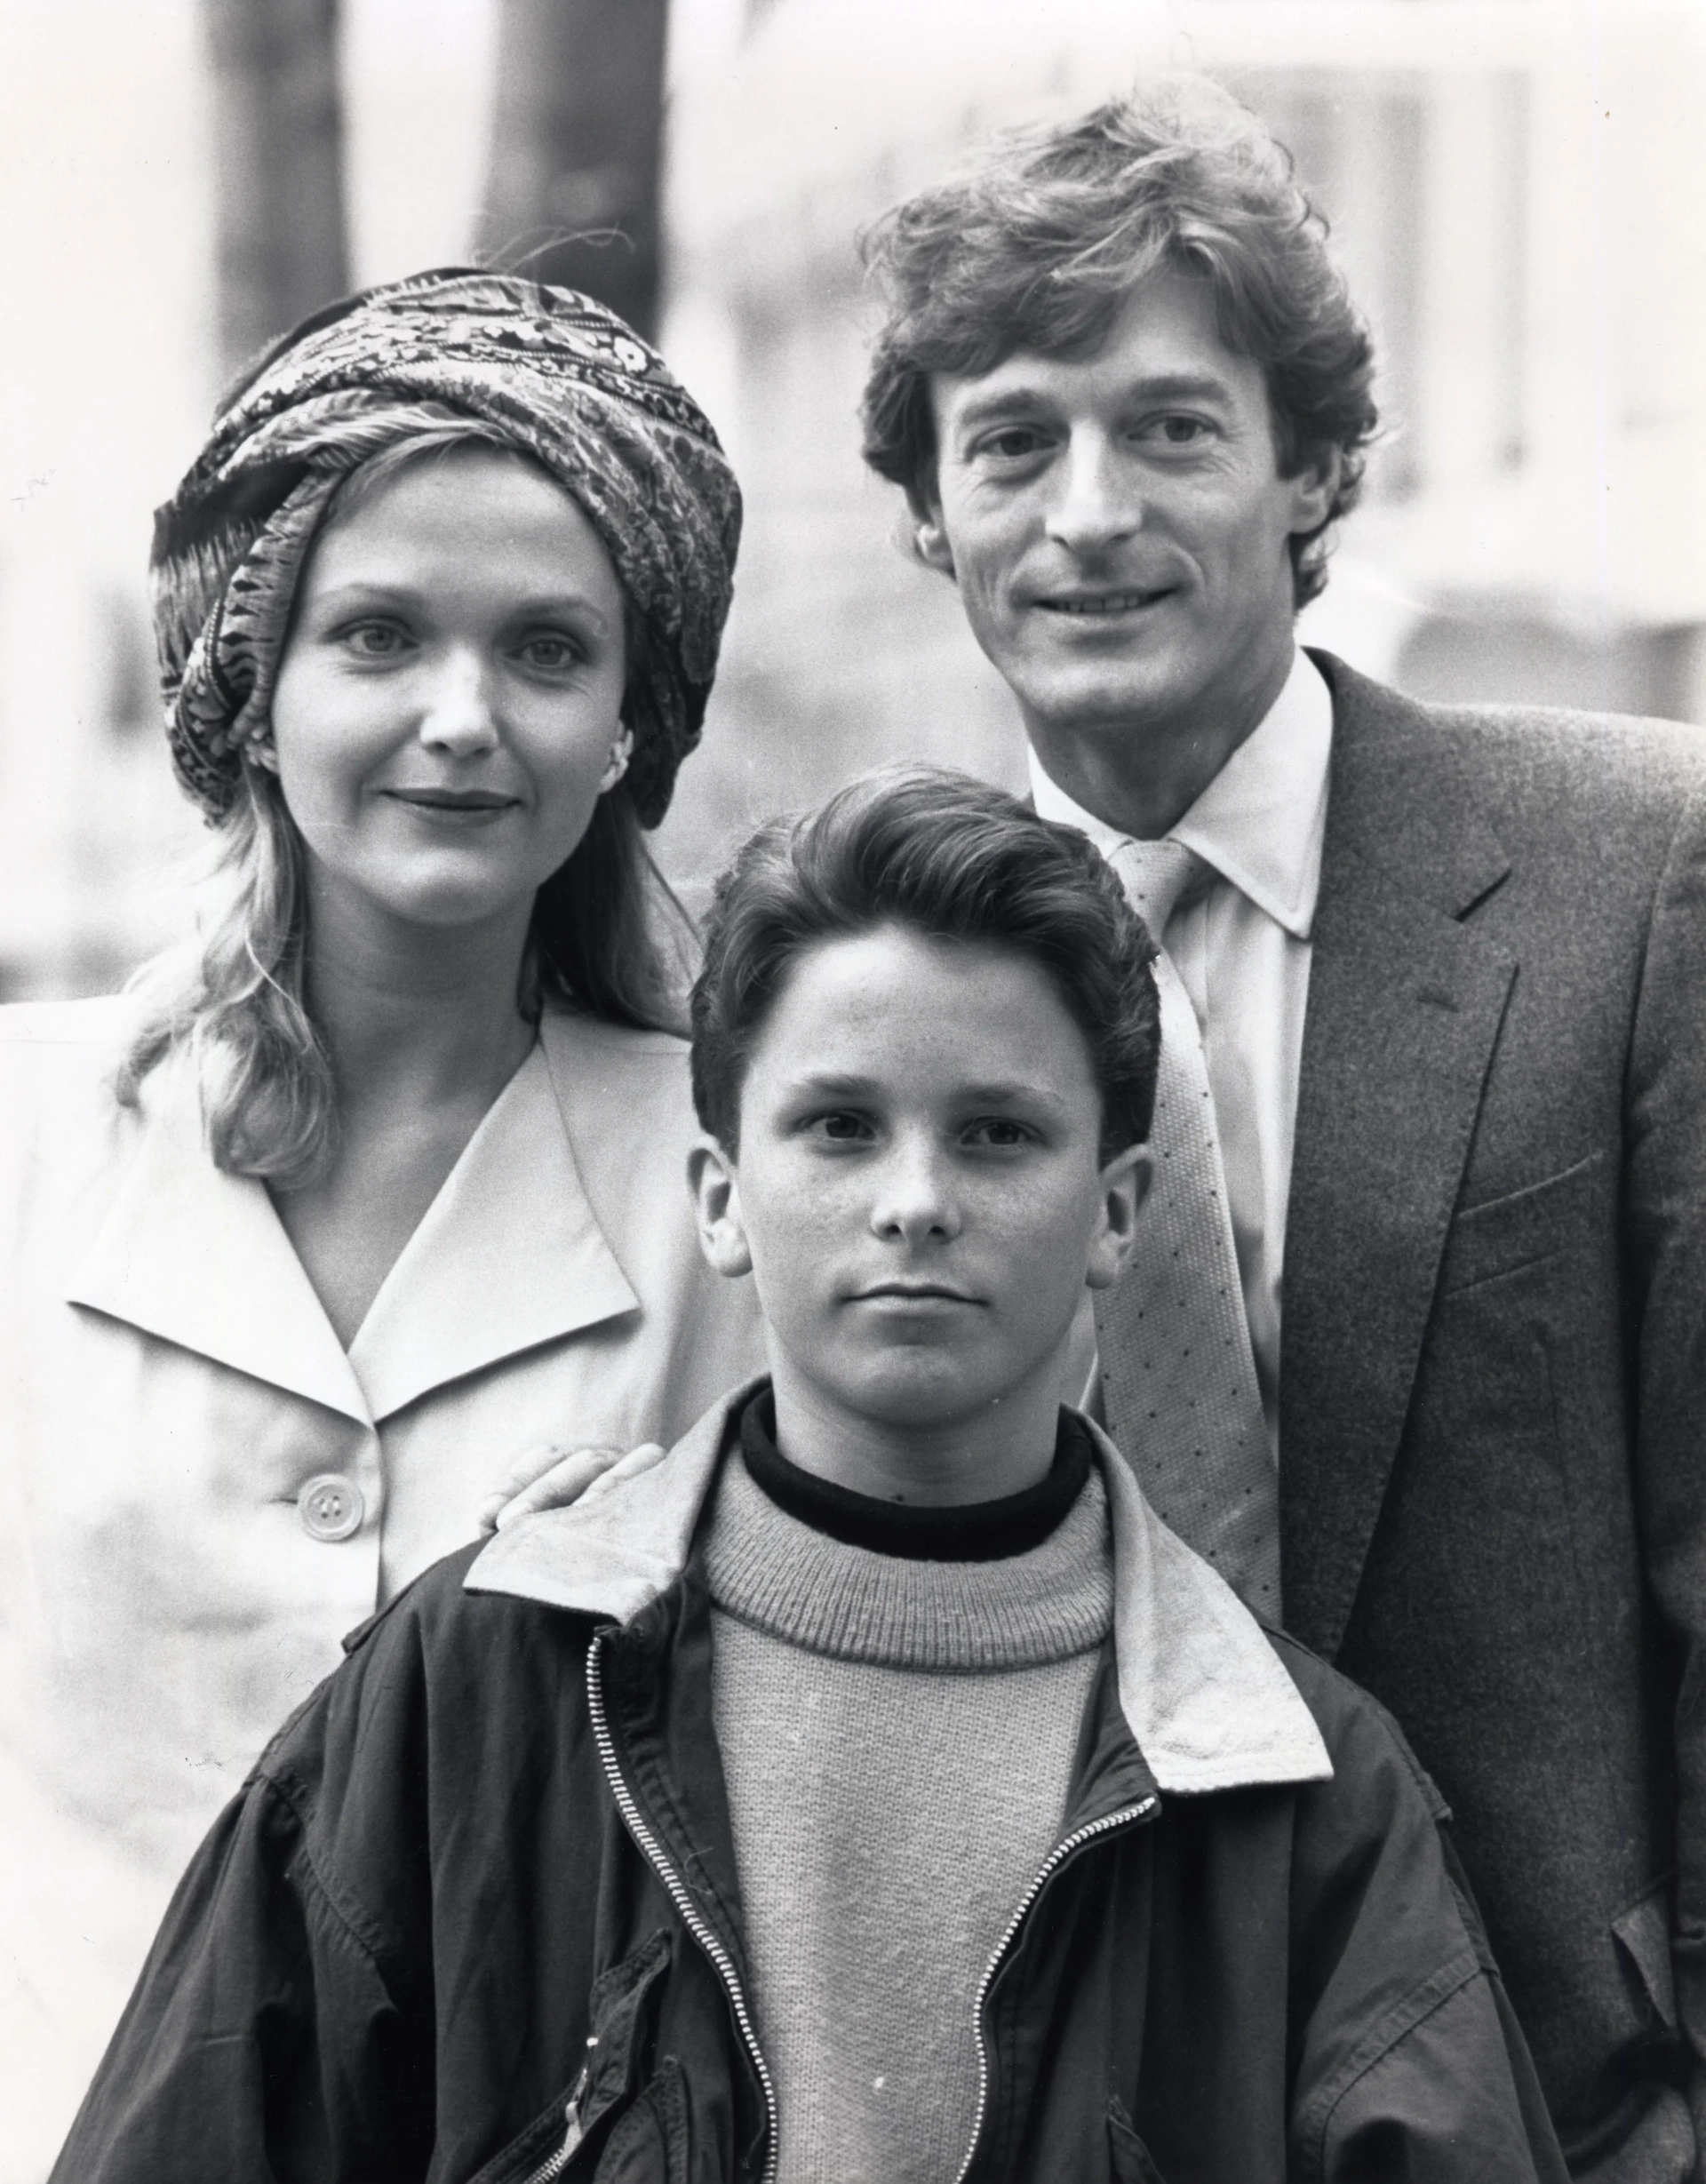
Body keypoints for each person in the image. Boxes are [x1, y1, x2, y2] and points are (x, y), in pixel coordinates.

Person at [53, 768, 1565, 2184]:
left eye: (996, 1134)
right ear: (719, 1193)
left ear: (1114, 1215)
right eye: (841, 1126)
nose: (915, 1202)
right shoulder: (477, 1684)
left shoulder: (1302, 1787)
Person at [853, 81, 1706, 2180]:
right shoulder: (859, 962)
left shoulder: (1634, 871)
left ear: (1314, 468)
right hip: (1043, 2093)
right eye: (1014, 443)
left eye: (1169, 427)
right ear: (928, 516)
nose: (1087, 515)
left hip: (1566, 2098)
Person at [0, 269, 762, 2177]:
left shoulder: (737, 1182)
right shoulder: (30, 1128)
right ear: (249, 694)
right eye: (379, 636)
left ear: (627, 726)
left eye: (545, 649)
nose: (459, 717)